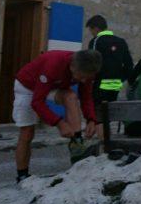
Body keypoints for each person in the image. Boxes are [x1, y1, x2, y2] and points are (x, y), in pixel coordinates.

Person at [13, 49, 102, 182]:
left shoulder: (85, 69)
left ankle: (77, 143)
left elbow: (86, 97)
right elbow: (37, 102)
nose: (83, 81)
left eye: (87, 78)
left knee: (71, 96)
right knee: (27, 132)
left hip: (52, 85)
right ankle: (22, 175)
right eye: (80, 76)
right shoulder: (53, 64)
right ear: (72, 67)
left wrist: (91, 119)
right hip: (27, 86)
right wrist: (59, 123)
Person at [85, 15, 133, 106]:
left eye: (91, 30)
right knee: (110, 113)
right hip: (116, 86)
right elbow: (129, 66)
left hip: (99, 86)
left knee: (97, 114)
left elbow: (91, 64)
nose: (91, 33)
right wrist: (120, 79)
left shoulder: (95, 41)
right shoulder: (121, 41)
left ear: (96, 28)